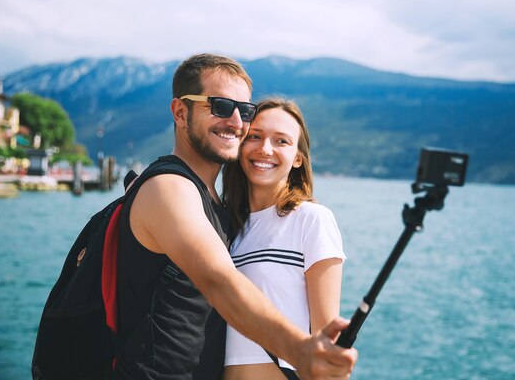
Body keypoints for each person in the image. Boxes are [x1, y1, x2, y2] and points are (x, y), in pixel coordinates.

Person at [112, 54, 357, 380]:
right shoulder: (169, 187)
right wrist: (299, 350)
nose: (237, 122)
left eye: (244, 111)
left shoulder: (226, 216)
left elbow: (327, 340)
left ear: (298, 158)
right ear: (180, 112)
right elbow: (219, 283)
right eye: (220, 106)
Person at [221, 97, 345, 380]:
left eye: (281, 141)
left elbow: (327, 341)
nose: (265, 149)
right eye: (254, 136)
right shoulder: (225, 230)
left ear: (298, 158)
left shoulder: (311, 220)